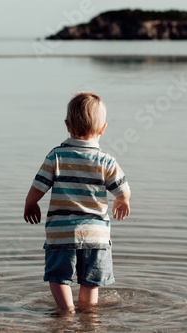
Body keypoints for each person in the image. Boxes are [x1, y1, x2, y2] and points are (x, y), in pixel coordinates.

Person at [23, 92, 131, 313]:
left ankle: (67, 311)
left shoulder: (56, 156)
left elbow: (39, 186)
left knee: (59, 277)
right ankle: (88, 318)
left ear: (67, 124)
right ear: (103, 129)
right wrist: (122, 199)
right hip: (97, 236)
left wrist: (30, 203)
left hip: (61, 233)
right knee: (90, 281)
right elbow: (123, 189)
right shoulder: (106, 160)